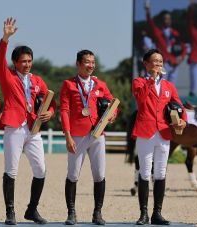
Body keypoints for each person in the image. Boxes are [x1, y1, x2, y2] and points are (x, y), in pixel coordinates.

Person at [0, 17, 56, 225]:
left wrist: (51, 113)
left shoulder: (38, 80)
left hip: (34, 129)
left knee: (41, 169)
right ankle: (10, 212)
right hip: (14, 127)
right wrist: (5, 38)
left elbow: (51, 102)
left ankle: (31, 209)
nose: (27, 64)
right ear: (15, 63)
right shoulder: (7, 76)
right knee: (11, 170)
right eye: (23, 61)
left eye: (29, 61)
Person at [60, 49, 118, 225]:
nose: (90, 65)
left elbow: (113, 104)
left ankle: (97, 213)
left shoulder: (100, 84)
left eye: (93, 62)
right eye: (87, 62)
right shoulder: (68, 84)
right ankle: (71, 213)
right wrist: (68, 136)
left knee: (99, 174)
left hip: (98, 134)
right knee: (73, 174)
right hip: (77, 135)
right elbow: (64, 111)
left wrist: (113, 115)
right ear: (78, 64)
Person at [132, 49, 187, 225]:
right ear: (146, 64)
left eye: (161, 62)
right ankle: (143, 214)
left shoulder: (169, 86)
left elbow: (179, 106)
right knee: (145, 172)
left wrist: (183, 121)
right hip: (145, 132)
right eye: (155, 61)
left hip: (164, 133)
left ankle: (157, 213)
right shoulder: (139, 82)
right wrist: (151, 80)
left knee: (161, 173)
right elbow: (140, 99)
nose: (159, 64)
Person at [145, 2, 186, 84]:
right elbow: (150, 22)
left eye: (169, 19)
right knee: (161, 87)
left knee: (171, 89)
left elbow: (183, 48)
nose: (168, 21)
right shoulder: (158, 33)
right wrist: (147, 10)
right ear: (162, 20)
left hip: (174, 65)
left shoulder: (175, 33)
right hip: (163, 65)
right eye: (165, 19)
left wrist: (181, 58)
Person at [187, 0, 197, 96]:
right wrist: (191, 8)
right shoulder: (194, 31)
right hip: (195, 60)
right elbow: (189, 21)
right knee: (194, 84)